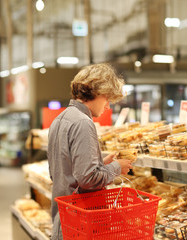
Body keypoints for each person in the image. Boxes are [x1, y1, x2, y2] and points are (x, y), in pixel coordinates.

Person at [47, 63, 133, 240]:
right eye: (108, 99)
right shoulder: (83, 123)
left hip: (63, 220)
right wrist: (117, 167)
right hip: (81, 222)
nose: (108, 106)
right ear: (98, 92)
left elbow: (63, 167)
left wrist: (100, 161)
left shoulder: (60, 120)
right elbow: (87, 178)